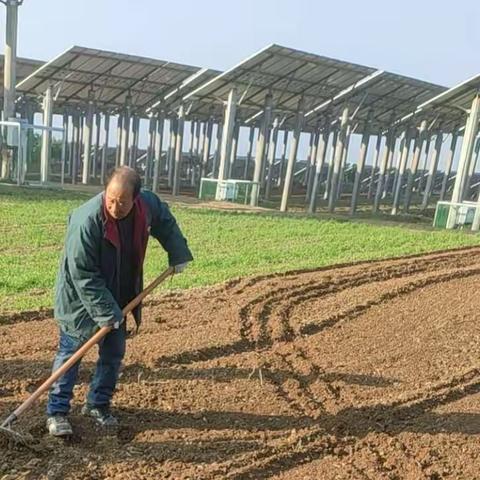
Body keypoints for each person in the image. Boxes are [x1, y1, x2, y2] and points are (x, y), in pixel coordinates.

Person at [46, 166, 193, 436]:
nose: (115, 206)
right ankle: (56, 411)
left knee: (113, 354)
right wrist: (107, 312)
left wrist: (178, 252)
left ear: (136, 198)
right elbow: (83, 275)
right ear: (105, 192)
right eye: (111, 199)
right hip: (79, 300)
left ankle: (98, 405)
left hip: (120, 296)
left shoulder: (146, 205)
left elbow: (164, 221)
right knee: (71, 354)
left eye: (122, 202)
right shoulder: (86, 221)